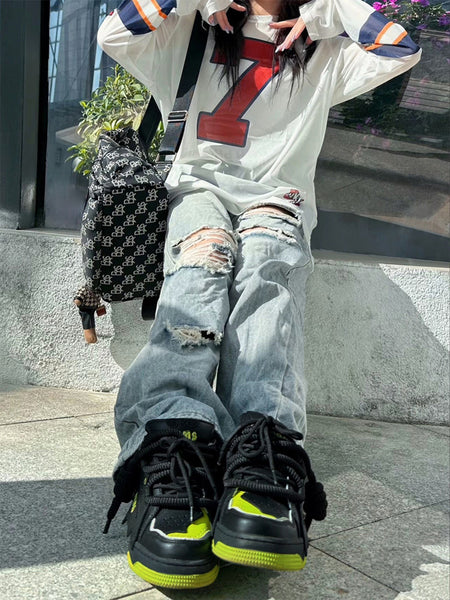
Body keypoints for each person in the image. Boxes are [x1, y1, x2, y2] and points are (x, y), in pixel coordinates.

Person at [98, 0, 421, 589]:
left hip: (278, 198)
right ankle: (172, 445)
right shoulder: (190, 29)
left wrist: (328, 11)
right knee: (198, 276)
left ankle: (260, 451)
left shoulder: (325, 46)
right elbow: (114, 32)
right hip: (198, 190)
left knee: (268, 275)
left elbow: (402, 46)